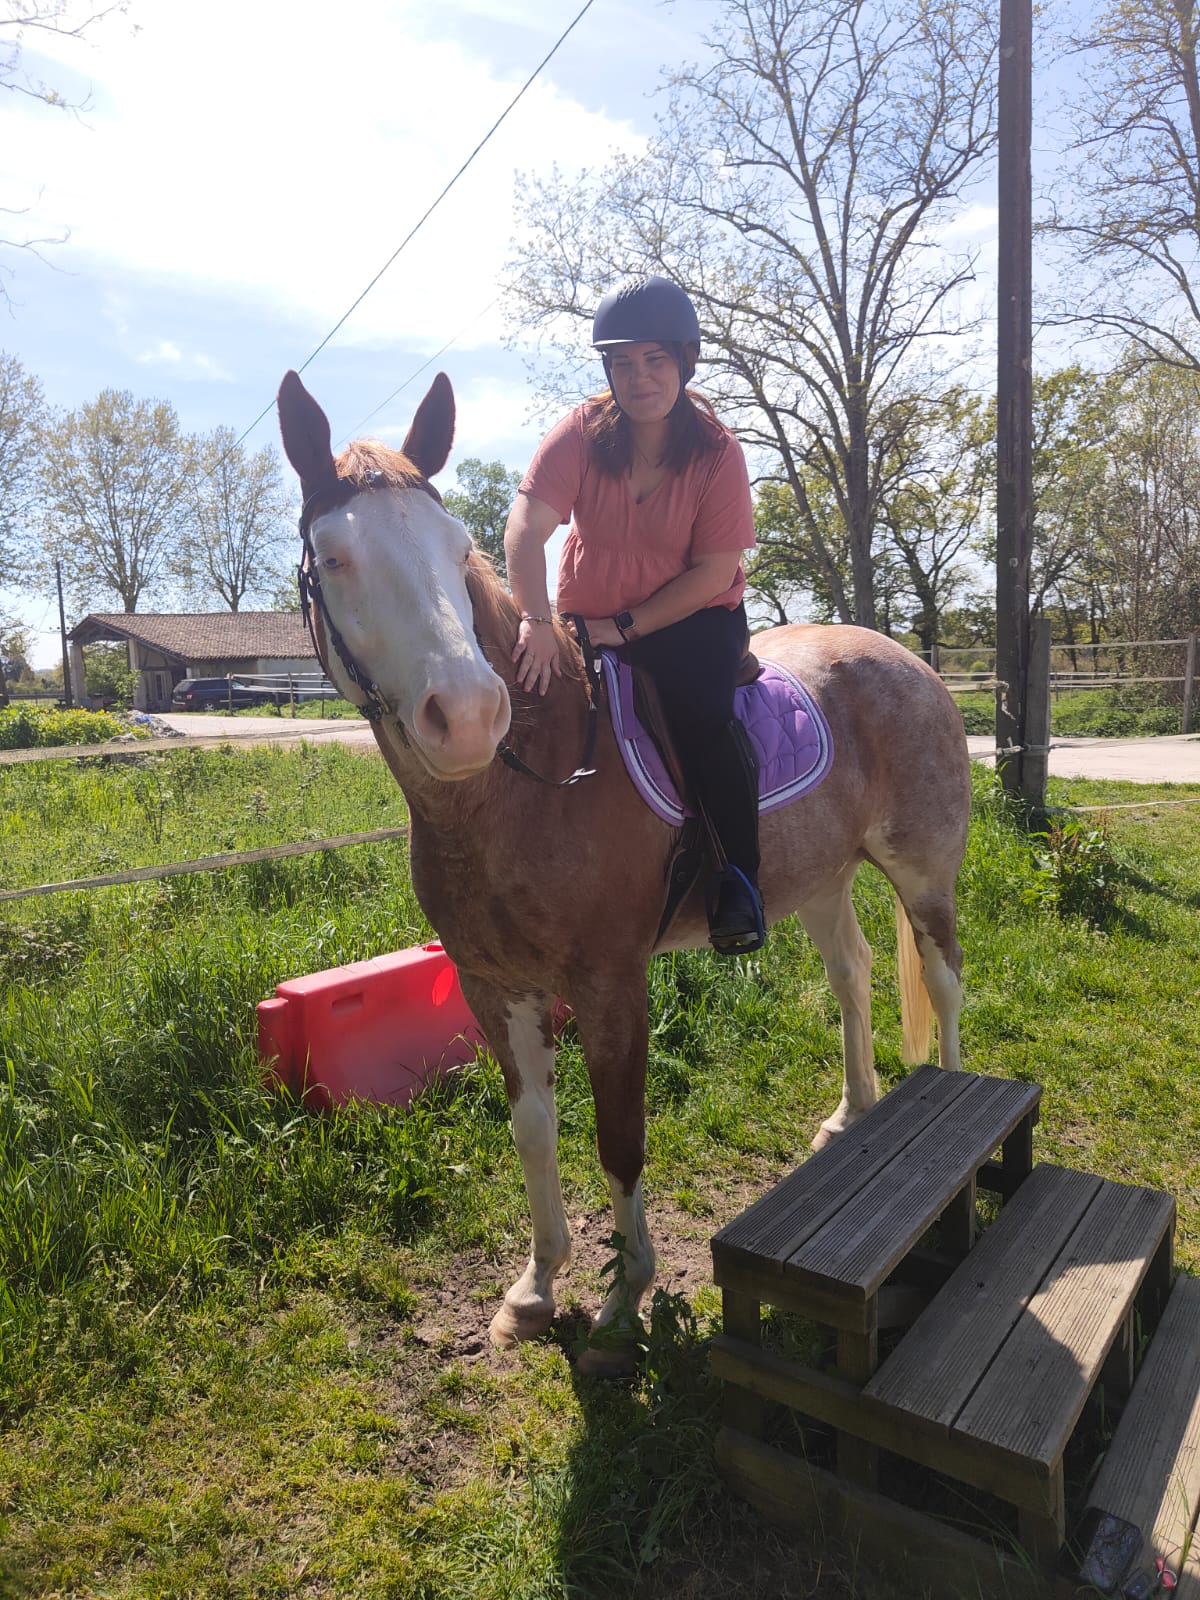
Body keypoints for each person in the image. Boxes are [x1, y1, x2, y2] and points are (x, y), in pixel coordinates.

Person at [503, 274, 765, 954]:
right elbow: (526, 528)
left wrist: (622, 629)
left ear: (684, 360)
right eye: (621, 362)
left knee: (703, 721)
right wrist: (533, 621)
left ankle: (737, 877)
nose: (638, 376)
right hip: (583, 620)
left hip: (692, 622)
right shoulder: (582, 434)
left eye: (654, 359)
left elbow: (713, 570)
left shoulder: (717, 453)